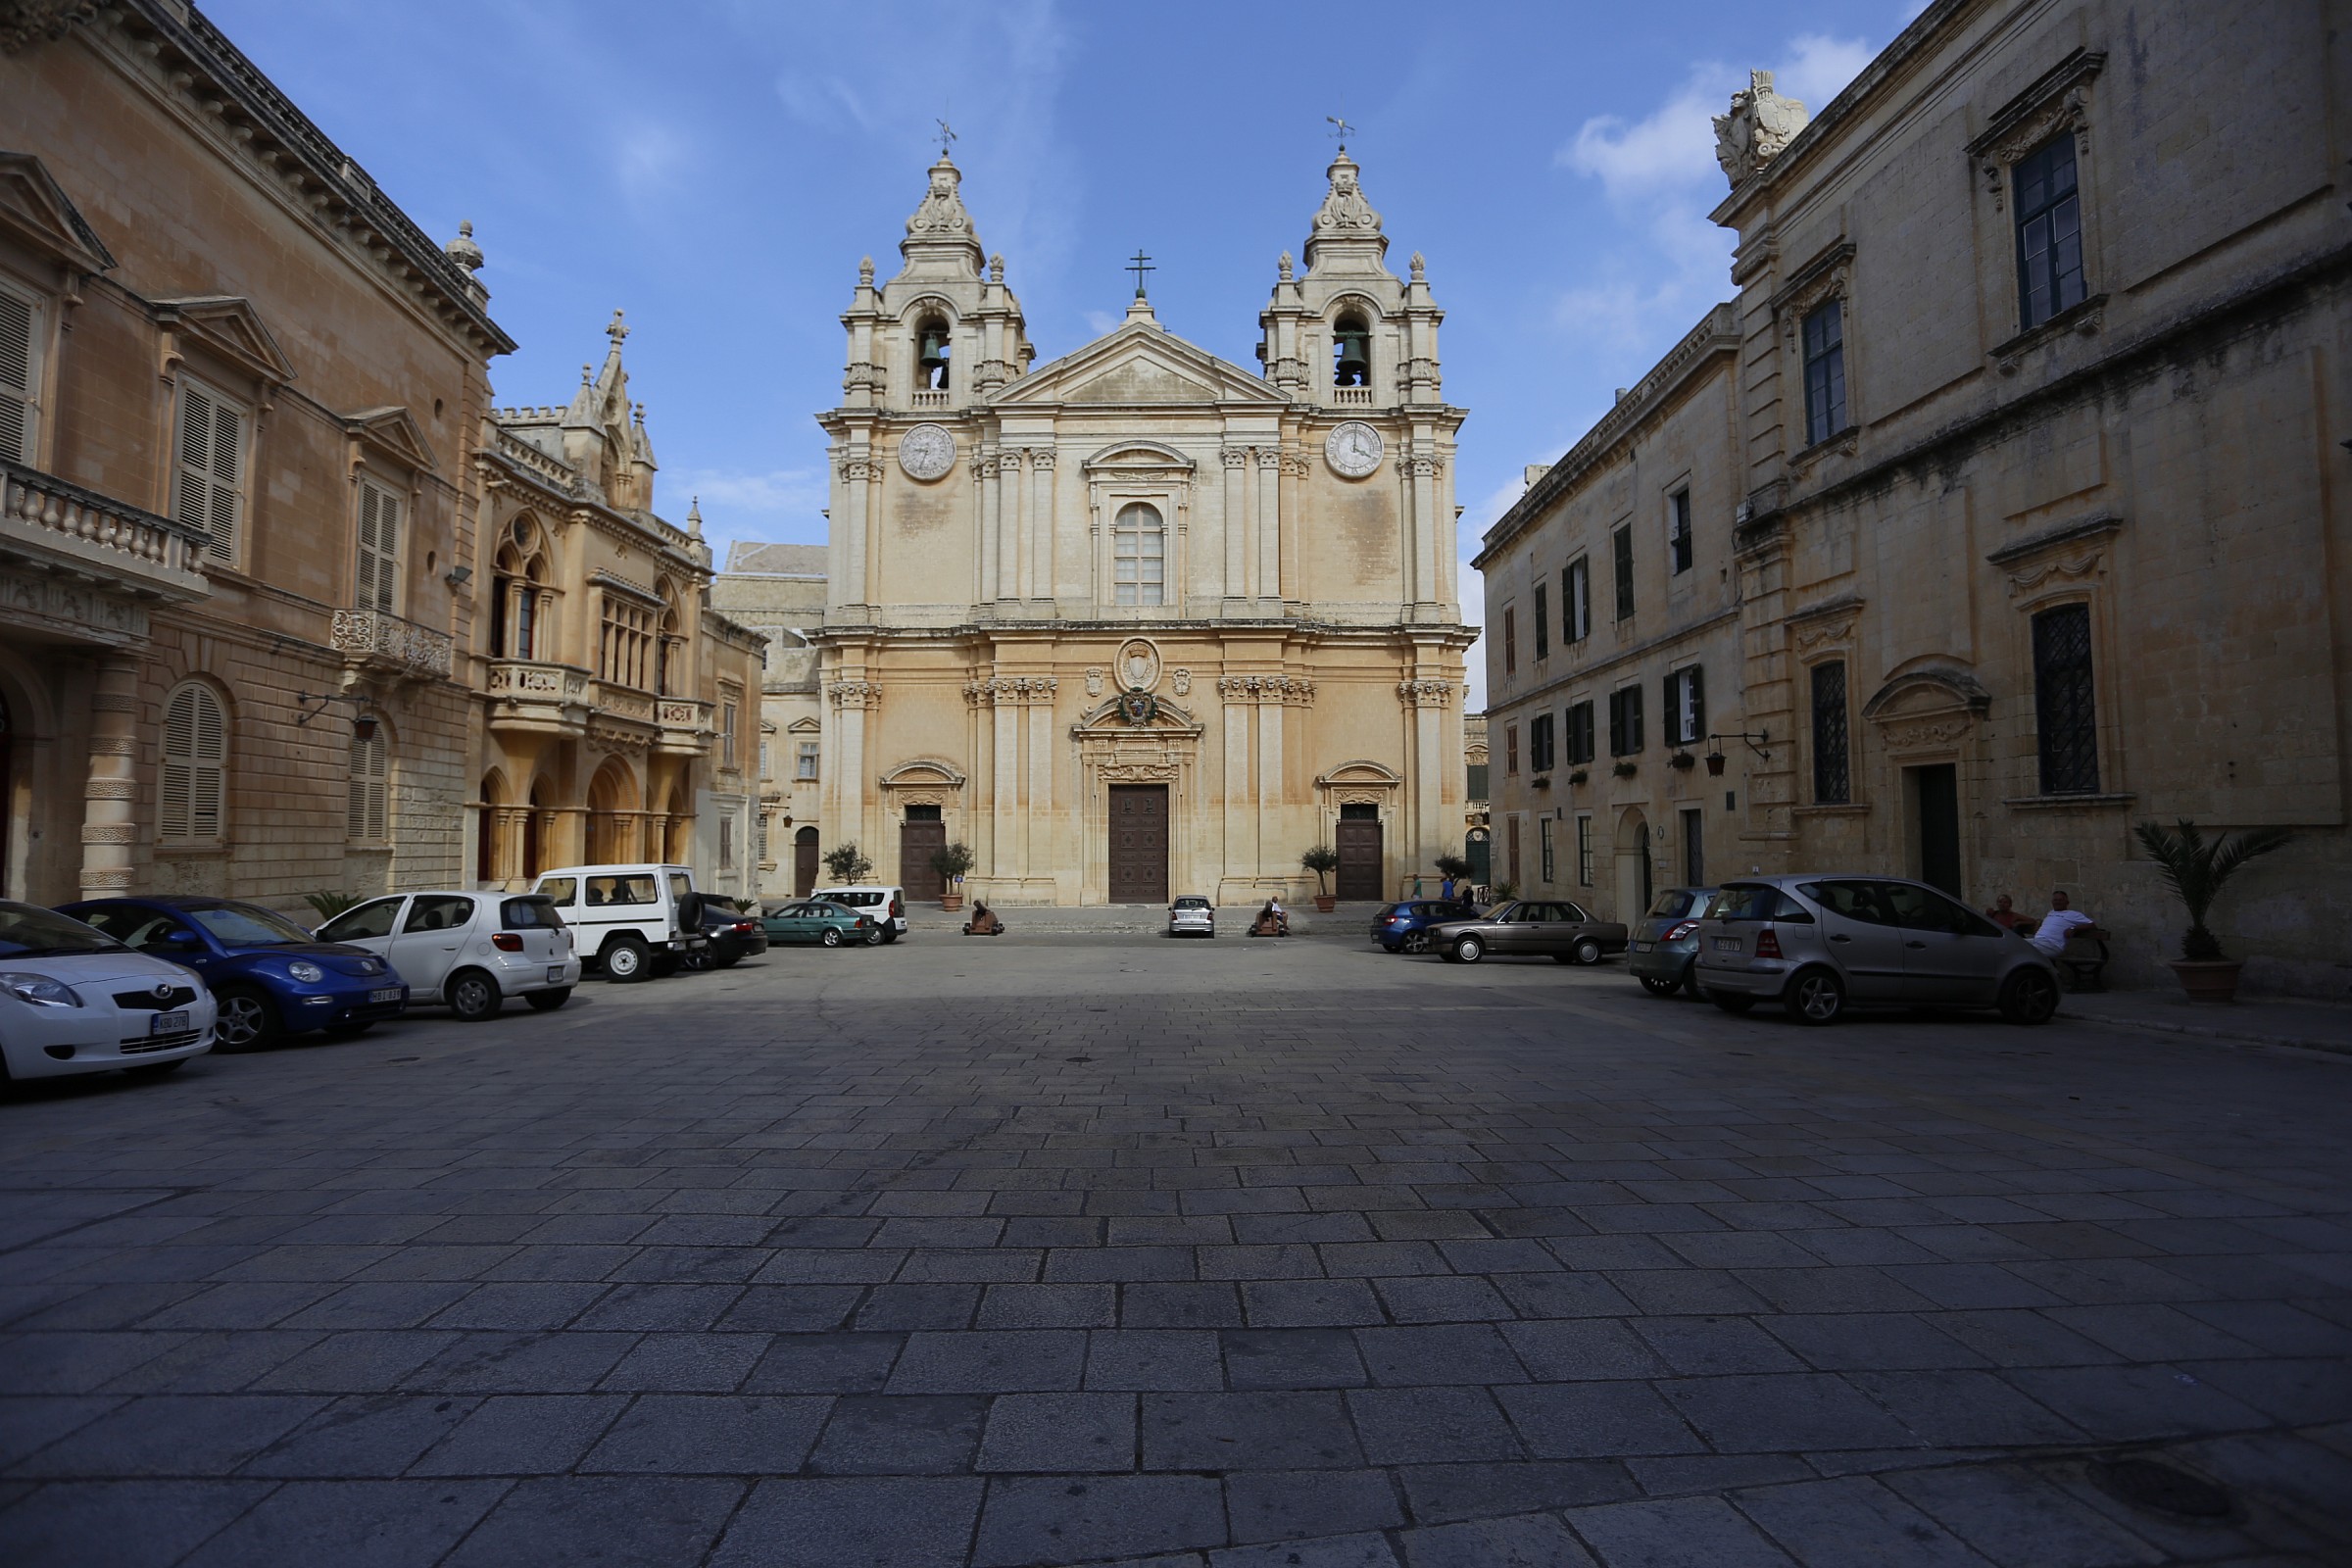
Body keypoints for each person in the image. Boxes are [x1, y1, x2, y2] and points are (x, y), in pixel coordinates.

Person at [2028, 889, 2094, 955]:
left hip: (2052, 945)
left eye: (2060, 900)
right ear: (2052, 902)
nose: (2057, 902)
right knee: (2017, 943)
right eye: (2055, 900)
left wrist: (2073, 928)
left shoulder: (2073, 914)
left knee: (2022, 949)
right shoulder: (2051, 913)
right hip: (2037, 941)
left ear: (2067, 902)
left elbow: (2091, 924)